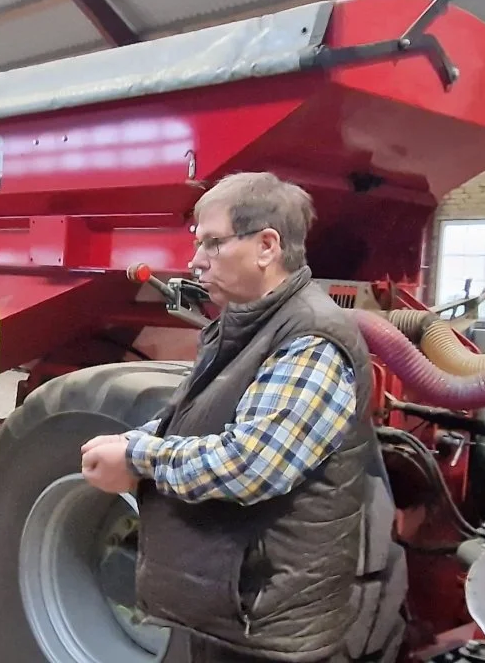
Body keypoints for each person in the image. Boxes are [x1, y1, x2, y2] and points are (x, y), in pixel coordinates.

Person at [80, 172, 403, 663]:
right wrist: (133, 442)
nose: (195, 260)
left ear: (267, 246)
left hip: (267, 625)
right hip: (232, 609)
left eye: (213, 242)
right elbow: (193, 416)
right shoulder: (243, 323)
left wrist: (138, 456)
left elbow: (252, 464)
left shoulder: (309, 340)